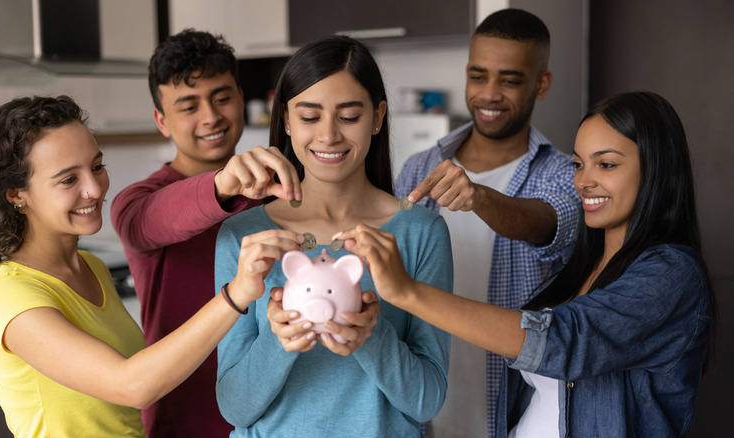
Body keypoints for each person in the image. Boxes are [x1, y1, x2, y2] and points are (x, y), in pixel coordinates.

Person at [339, 91, 716, 437]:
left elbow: (563, 340)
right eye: (579, 164)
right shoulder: (581, 267)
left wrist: (408, 291)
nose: (584, 181)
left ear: (656, 169)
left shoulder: (672, 275)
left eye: (606, 164)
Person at [0, 95, 280, 437]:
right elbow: (132, 386)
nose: (94, 189)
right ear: (17, 195)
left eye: (97, 166)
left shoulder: (91, 266)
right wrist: (236, 295)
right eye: (68, 180)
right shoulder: (10, 296)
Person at [213, 35, 453, 437]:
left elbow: (426, 402)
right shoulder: (244, 237)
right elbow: (234, 408)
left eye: (348, 116)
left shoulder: (419, 232)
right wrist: (279, 341)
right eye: (309, 117)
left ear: (377, 117)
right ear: (286, 120)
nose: (328, 136)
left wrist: (371, 335)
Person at [394, 8, 580, 437]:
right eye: (479, 76)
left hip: (513, 415)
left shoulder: (564, 174)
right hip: (420, 410)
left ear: (542, 84)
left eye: (510, 80)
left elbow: (543, 224)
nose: (489, 93)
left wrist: (478, 196)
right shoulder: (420, 166)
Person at [110, 30, 301, 436]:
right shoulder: (137, 202)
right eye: (188, 105)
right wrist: (223, 184)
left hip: (273, 417)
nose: (211, 116)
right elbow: (154, 220)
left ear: (240, 97)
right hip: (184, 419)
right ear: (161, 120)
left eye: (221, 97)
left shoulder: (278, 191)